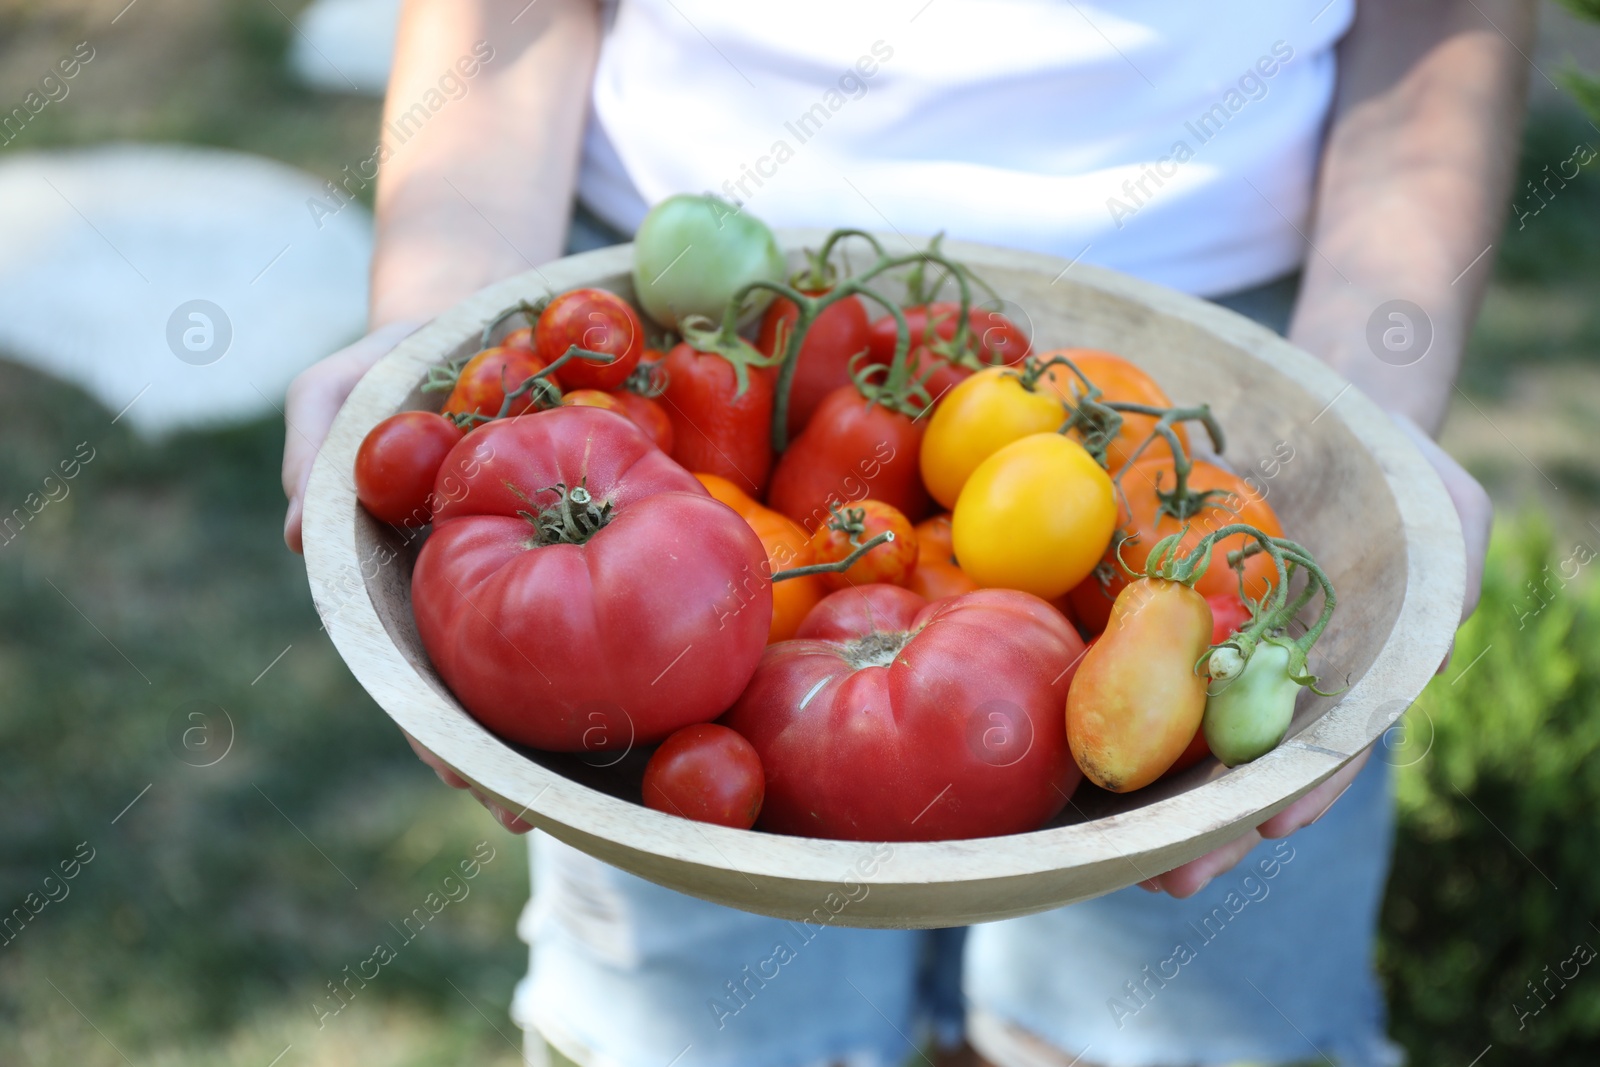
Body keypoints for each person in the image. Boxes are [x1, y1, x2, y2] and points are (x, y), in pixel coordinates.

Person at [281, 1, 1519, 1063]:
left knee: (1181, 1029)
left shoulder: (1211, 540)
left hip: (1243, 366)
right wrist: (438, 327)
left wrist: (1377, 405)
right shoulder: (628, 466)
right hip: (671, 323)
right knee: (715, 1028)